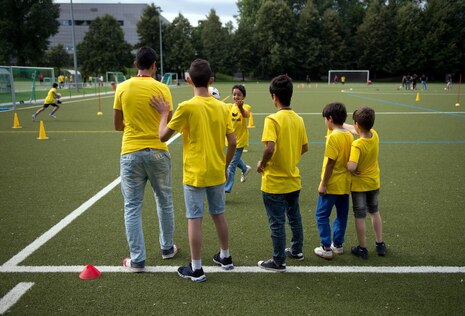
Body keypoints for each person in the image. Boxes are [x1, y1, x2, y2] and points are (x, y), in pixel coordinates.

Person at [149, 58, 236, 283]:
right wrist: (225, 166)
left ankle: (196, 269)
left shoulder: (186, 107)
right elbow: (233, 142)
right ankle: (225, 257)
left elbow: (162, 136)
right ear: (212, 80)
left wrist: (163, 114)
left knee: (194, 219)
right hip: (217, 171)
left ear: (188, 80)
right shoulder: (223, 107)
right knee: (219, 215)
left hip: (195, 173)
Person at [113, 47, 177, 273]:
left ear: (135, 63)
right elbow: (167, 123)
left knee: (132, 206)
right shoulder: (162, 88)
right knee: (164, 200)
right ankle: (167, 248)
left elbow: (117, 125)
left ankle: (137, 259)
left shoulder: (122, 87)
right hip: (158, 151)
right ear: (154, 65)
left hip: (130, 152)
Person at [256, 75, 308, 272]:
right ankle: (296, 250)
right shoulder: (299, 119)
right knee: (294, 217)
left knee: (277, 222)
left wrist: (262, 163)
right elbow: (304, 147)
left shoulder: (272, 119)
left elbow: (269, 148)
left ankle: (278, 261)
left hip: (275, 182)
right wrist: (290, 156)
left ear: (274, 97)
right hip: (293, 179)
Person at [343, 107, 386, 259]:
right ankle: (380, 244)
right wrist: (344, 125)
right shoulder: (374, 134)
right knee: (374, 211)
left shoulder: (357, 145)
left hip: (359, 186)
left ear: (356, 124)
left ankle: (362, 248)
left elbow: (352, 166)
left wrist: (348, 165)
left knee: (360, 215)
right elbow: (358, 130)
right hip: (374, 182)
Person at [314, 102, 354, 260]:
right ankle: (337, 245)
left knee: (321, 215)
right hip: (345, 183)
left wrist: (323, 183)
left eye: (325, 119)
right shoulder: (349, 135)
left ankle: (325, 247)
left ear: (330, 119)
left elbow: (330, 163)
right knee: (342, 214)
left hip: (332, 183)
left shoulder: (333, 137)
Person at [225, 84, 252, 193]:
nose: (236, 97)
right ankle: (245, 169)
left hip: (240, 141)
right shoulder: (229, 107)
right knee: (234, 160)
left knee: (231, 165)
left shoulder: (246, 106)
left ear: (243, 96)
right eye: (234, 94)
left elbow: (246, 115)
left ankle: (226, 189)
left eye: (239, 95)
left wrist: (241, 107)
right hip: (231, 140)